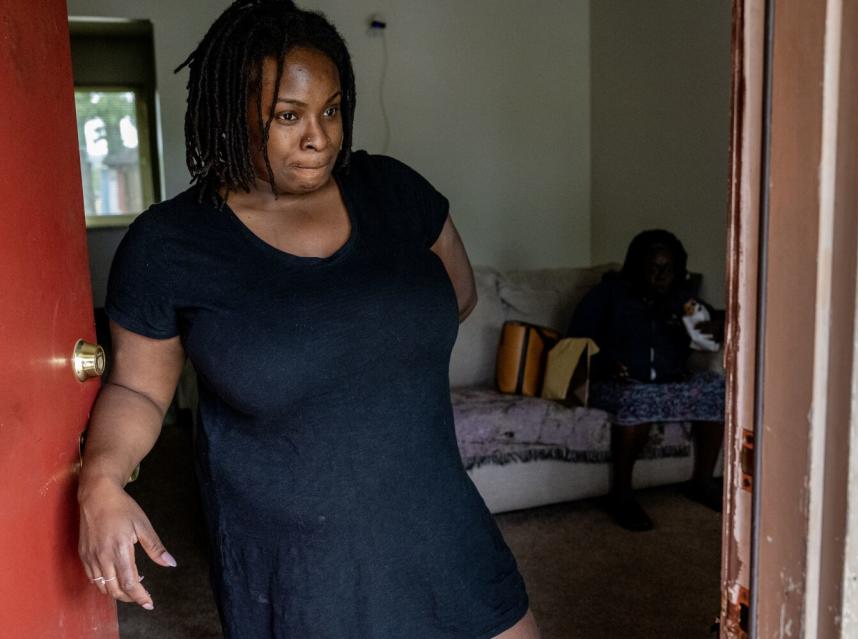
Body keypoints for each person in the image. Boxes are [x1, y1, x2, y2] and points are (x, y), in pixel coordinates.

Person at [76, 2, 540, 637]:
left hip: (439, 521)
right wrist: (100, 481)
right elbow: (136, 388)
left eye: (332, 109)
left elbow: (456, 297)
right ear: (230, 114)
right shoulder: (171, 244)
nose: (319, 136)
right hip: (295, 564)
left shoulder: (395, 192)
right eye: (288, 116)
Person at [568, 229, 725, 531]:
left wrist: (696, 325)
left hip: (665, 384)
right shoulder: (607, 295)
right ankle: (622, 496)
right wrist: (604, 364)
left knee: (715, 388)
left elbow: (706, 341)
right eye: (653, 267)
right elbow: (574, 343)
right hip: (614, 383)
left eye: (668, 268)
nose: (661, 275)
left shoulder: (682, 301)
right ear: (636, 266)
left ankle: (703, 482)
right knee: (638, 397)